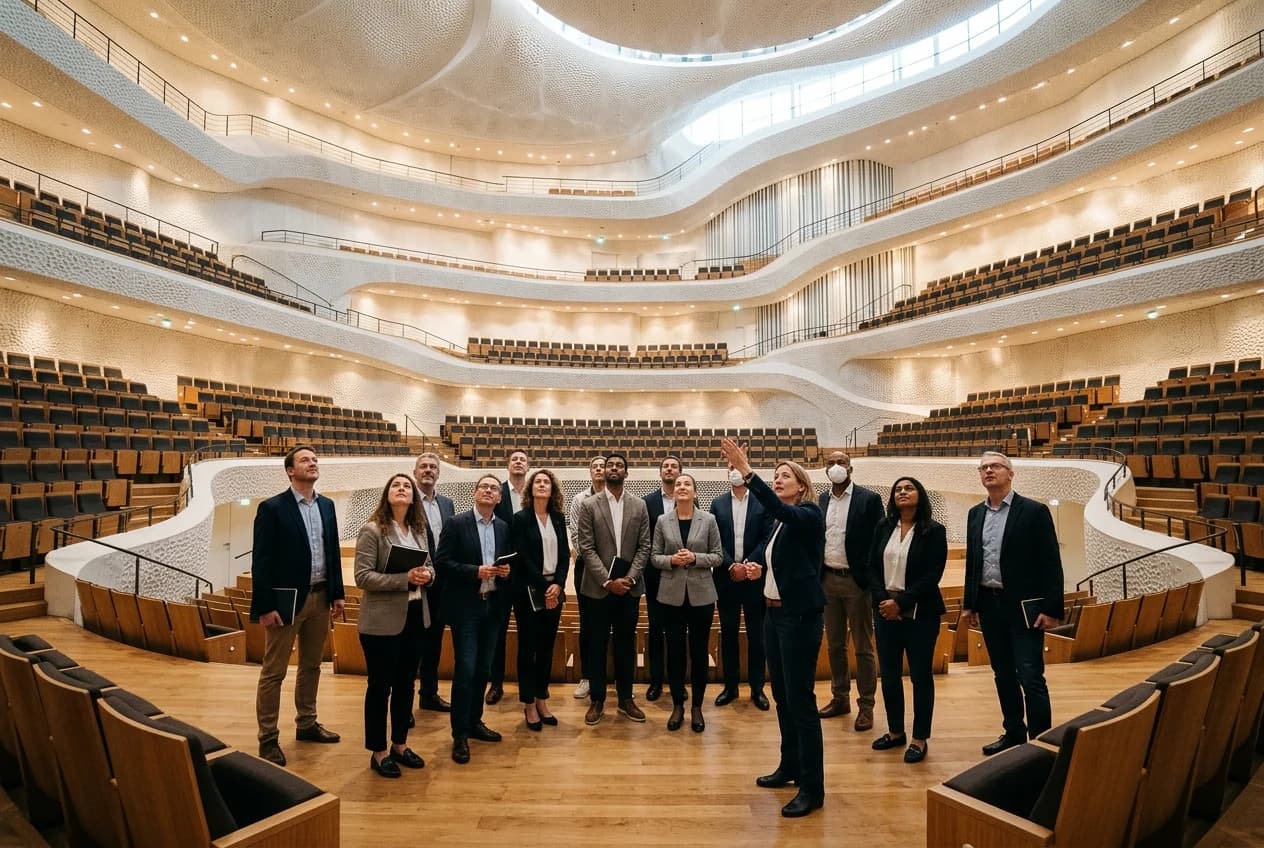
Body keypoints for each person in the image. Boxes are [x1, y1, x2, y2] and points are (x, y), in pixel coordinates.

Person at [720, 437, 826, 819]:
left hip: (799, 618)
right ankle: (791, 766)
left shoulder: (808, 514)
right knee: (783, 696)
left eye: (785, 476)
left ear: (801, 485)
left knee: (801, 702)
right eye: (775, 475)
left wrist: (748, 471)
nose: (778, 479)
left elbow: (781, 513)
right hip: (775, 616)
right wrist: (757, 567)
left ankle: (813, 789)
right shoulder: (780, 526)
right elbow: (778, 557)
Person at [961, 452, 1064, 757]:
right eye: (983, 468)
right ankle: (1014, 733)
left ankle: (1041, 744)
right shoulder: (975, 514)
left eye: (995, 466)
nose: (988, 471)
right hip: (989, 604)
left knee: (1030, 675)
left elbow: (1050, 562)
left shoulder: (1033, 511)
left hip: (1023, 607)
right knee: (1002, 673)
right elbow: (974, 562)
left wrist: (1052, 608)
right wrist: (970, 604)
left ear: (1010, 473)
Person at [250, 445, 346, 767]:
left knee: (312, 666)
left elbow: (331, 552)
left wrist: (337, 593)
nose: (313, 462)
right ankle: (268, 738)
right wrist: (264, 606)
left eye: (315, 459)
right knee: (274, 672)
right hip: (286, 602)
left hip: (321, 597)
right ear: (291, 470)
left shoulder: (328, 506)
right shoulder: (273, 508)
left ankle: (306, 723)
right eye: (306, 459)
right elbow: (261, 561)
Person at [862, 477, 947, 764]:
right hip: (885, 610)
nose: (902, 492)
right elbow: (871, 566)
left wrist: (901, 602)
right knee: (889, 675)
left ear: (920, 495)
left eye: (908, 488)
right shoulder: (883, 527)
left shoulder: (934, 531)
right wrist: (884, 601)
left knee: (921, 676)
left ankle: (919, 738)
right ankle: (896, 731)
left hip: (920, 612)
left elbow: (932, 575)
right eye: (898, 489)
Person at [354, 473, 434, 777]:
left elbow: (429, 568)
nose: (402, 489)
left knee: (405, 686)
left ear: (413, 497)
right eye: (395, 485)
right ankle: (378, 751)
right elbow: (363, 577)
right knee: (380, 687)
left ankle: (400, 744)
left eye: (406, 487)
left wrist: (429, 576)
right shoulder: (372, 530)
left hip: (415, 617)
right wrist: (405, 579)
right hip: (382, 623)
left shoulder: (418, 530)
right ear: (387, 495)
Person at [435, 475, 511, 764]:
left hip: (492, 607)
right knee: (465, 671)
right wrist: (474, 571)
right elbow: (442, 563)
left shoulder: (503, 527)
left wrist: (506, 573)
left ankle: (476, 722)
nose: (489, 491)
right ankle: (460, 734)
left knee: (483, 670)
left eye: (494, 488)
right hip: (466, 608)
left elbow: (506, 562)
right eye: (484, 487)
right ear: (474, 492)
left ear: (499, 498)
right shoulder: (456, 523)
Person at [575, 451, 651, 726]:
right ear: (604, 472)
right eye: (610, 465)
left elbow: (645, 546)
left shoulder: (639, 506)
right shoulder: (589, 505)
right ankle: (597, 700)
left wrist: (629, 578)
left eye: (619, 465)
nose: (614, 468)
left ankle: (625, 699)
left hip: (629, 589)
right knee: (596, 645)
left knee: (625, 645)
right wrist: (607, 581)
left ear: (626, 473)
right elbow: (586, 546)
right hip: (598, 589)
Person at [816, 450, 884, 731]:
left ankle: (866, 705)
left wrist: (868, 578)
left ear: (850, 468)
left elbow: (878, 540)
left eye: (841, 463)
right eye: (830, 463)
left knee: (864, 647)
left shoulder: (868, 499)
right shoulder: (822, 499)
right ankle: (840, 697)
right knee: (834, 645)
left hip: (856, 582)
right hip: (828, 579)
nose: (835, 467)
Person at [651, 473, 722, 733]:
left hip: (702, 595)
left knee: (700, 652)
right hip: (670, 596)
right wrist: (672, 561)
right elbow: (654, 557)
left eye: (687, 484)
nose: (681, 487)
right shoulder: (662, 520)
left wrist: (694, 558)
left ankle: (697, 707)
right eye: (678, 484)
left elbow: (717, 556)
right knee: (676, 652)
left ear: (694, 491)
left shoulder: (709, 520)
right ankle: (679, 704)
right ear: (674, 491)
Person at [509, 469, 569, 731]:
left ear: (552, 489)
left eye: (547, 482)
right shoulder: (520, 519)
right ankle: (528, 704)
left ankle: (542, 698)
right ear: (531, 488)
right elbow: (522, 557)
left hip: (553, 590)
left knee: (546, 648)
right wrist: (546, 586)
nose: (542, 485)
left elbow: (566, 555)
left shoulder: (558, 518)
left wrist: (558, 584)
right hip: (529, 593)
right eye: (538, 482)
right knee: (528, 649)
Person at [711, 463, 773, 710]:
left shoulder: (762, 500)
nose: (735, 471)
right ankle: (731, 686)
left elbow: (766, 537)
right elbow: (714, 540)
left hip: (754, 578)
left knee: (757, 635)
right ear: (727, 473)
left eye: (739, 466)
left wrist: (748, 564)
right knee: (728, 634)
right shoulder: (718, 503)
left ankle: (757, 688)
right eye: (731, 467)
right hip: (727, 579)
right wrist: (731, 566)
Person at [413, 452, 455, 714]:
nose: (428, 470)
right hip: (415, 580)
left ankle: (429, 693)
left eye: (433, 467)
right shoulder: (406, 499)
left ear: (438, 473)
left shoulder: (447, 503)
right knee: (412, 642)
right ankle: (404, 703)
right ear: (415, 472)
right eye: (424, 467)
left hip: (441, 582)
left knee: (434, 641)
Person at [487, 449, 530, 705]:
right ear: (508, 465)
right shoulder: (498, 492)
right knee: (497, 632)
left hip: (527, 575)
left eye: (522, 459)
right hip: (502, 573)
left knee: (527, 634)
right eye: (514, 459)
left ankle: (528, 684)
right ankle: (496, 684)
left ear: (528, 466)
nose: (518, 462)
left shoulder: (535, 492)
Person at [641, 456, 680, 702]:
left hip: (683, 577)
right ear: (660, 473)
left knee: (678, 633)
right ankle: (655, 681)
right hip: (656, 577)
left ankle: (678, 681)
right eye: (665, 466)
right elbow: (644, 541)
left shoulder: (690, 498)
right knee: (656, 631)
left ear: (680, 473)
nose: (669, 469)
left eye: (674, 466)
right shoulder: (648, 502)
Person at [568, 456, 605, 700]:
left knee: (614, 625)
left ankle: (615, 679)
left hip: (615, 570)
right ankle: (587, 677)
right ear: (590, 472)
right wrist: (598, 564)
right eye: (595, 466)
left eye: (603, 466)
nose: (600, 470)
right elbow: (576, 537)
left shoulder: (622, 498)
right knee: (588, 625)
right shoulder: (579, 499)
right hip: (587, 570)